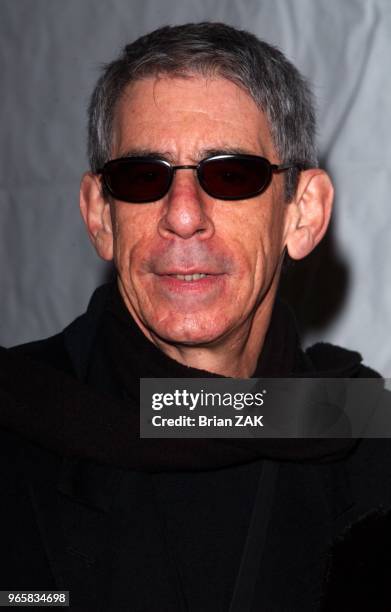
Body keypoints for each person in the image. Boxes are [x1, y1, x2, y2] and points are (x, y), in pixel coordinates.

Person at [0, 22, 390, 611]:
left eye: (231, 174)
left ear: (302, 215)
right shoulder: (16, 419)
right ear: (101, 216)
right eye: (142, 176)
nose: (183, 216)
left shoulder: (367, 441)